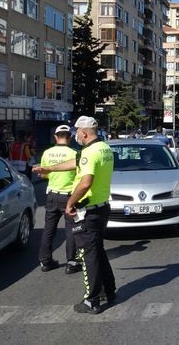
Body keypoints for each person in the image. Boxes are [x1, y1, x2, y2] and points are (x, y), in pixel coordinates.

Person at [34, 116, 116, 315]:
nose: (76, 135)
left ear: (84, 132)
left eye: (78, 131)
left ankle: (92, 300)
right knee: (98, 250)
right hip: (102, 207)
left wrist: (71, 203)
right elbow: (74, 162)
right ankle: (109, 290)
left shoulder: (89, 153)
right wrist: (49, 168)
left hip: (88, 210)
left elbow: (86, 182)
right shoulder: (104, 149)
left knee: (88, 255)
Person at [38, 125, 81, 274]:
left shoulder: (47, 153)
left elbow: (43, 175)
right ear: (69, 138)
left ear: (56, 137)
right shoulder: (75, 153)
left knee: (49, 228)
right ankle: (72, 262)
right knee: (71, 229)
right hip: (69, 196)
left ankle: (45, 262)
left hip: (52, 195)